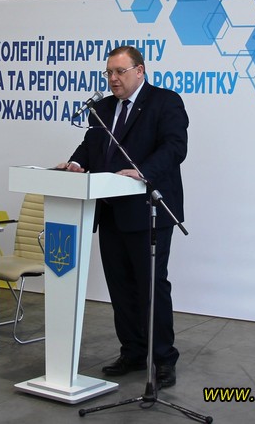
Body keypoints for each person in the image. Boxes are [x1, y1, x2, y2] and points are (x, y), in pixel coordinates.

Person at [57, 45, 188, 389]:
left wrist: (142, 172)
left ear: (139, 71)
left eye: (120, 72)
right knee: (120, 287)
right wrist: (75, 163)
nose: (113, 79)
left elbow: (175, 148)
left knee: (151, 287)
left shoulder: (165, 102)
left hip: (148, 212)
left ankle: (163, 358)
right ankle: (132, 351)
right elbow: (91, 146)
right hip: (110, 211)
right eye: (109, 73)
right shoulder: (101, 109)